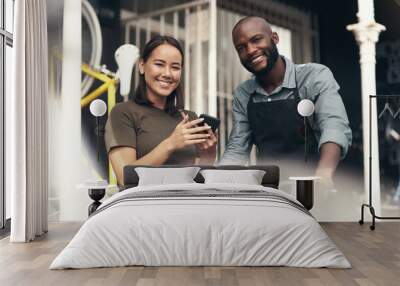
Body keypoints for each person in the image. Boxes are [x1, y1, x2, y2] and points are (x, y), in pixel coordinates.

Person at [220, 16, 352, 180]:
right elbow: (237, 147)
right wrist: (217, 181)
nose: (250, 50)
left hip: (317, 185)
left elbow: (334, 126)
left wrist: (324, 175)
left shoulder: (313, 76)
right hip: (271, 192)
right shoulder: (244, 93)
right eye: (241, 48)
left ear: (274, 38)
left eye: (256, 40)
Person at [105, 35, 217, 185]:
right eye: (159, 64)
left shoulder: (189, 118)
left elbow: (198, 181)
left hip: (187, 204)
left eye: (175, 67)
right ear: (142, 66)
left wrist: (208, 155)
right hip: (144, 206)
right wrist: (170, 144)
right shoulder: (123, 112)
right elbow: (125, 178)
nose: (167, 74)